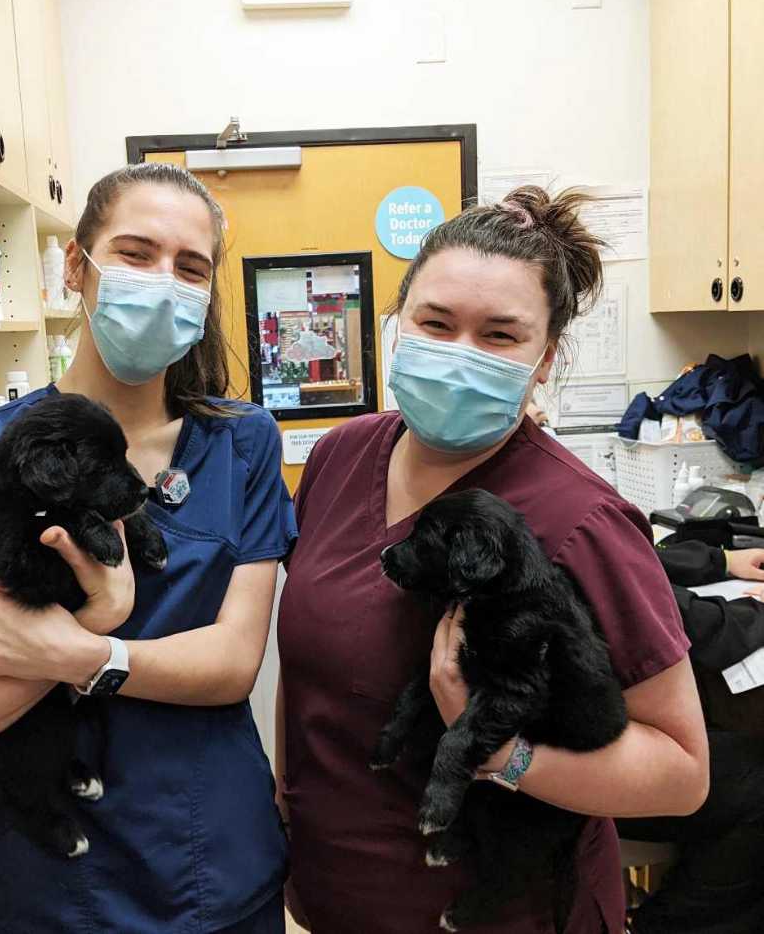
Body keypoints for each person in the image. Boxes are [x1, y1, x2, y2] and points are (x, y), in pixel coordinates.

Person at [277, 187, 709, 933]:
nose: (456, 355)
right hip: (331, 893)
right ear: (396, 322)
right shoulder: (341, 457)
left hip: (502, 913)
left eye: (499, 336)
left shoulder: (580, 521)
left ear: (545, 360)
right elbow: (312, 671)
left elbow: (681, 773)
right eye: (434, 323)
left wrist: (499, 753)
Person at [0, 163, 296, 933]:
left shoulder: (240, 441)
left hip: (209, 859)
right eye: (135, 253)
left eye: (190, 267)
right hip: (44, 881)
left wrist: (79, 648)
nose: (162, 282)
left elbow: (232, 663)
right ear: (76, 267)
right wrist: (102, 615)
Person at [618, 541, 764, 934]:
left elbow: (624, 556)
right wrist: (751, 618)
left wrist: (722, 560)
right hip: (546, 760)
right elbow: (627, 587)